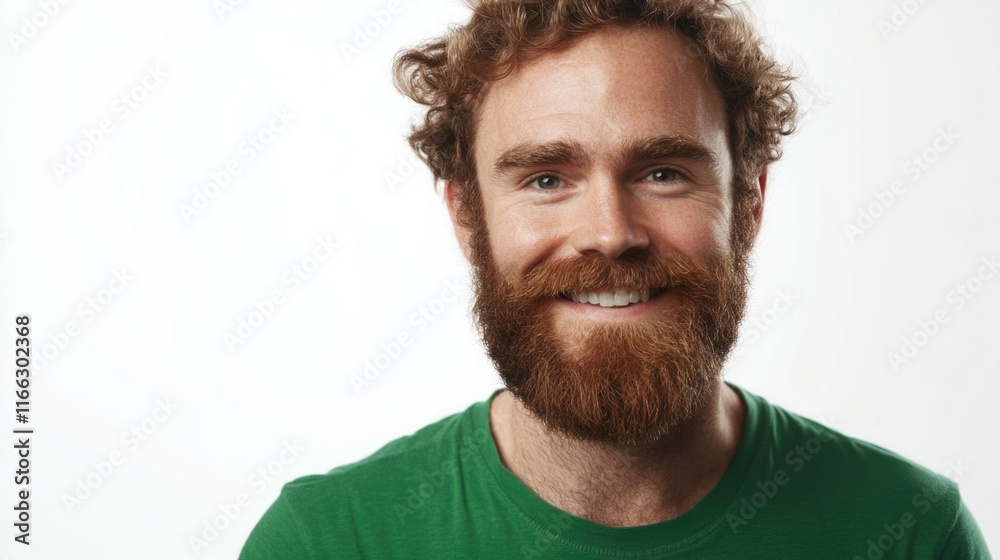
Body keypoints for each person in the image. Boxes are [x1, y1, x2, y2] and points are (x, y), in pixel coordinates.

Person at [240, 1, 991, 557]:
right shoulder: (330, 542)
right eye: (545, 179)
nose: (609, 233)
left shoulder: (910, 532)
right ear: (468, 216)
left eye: (663, 172)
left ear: (750, 202)